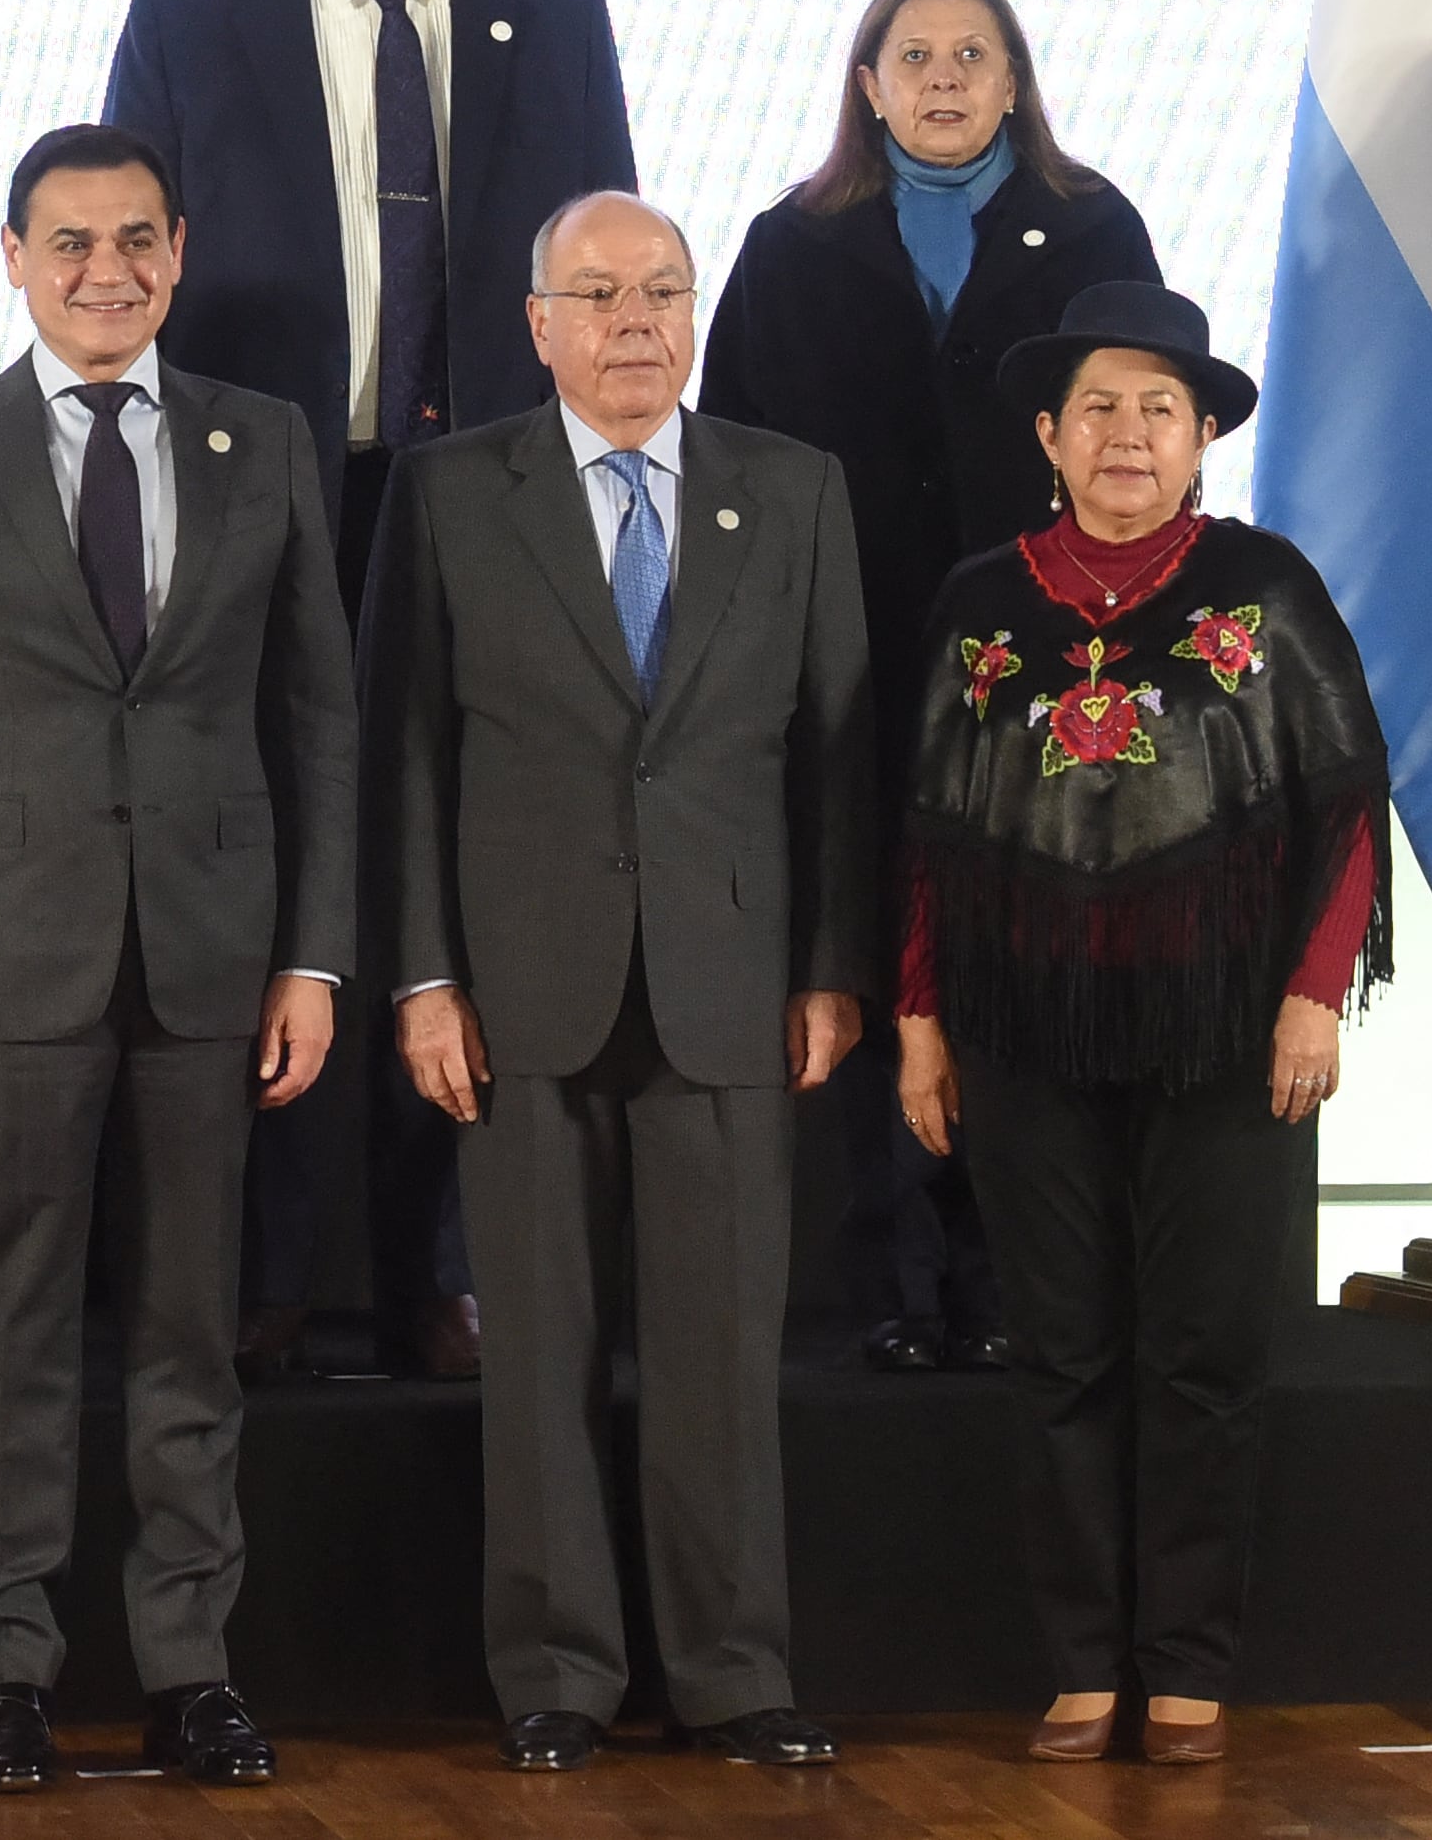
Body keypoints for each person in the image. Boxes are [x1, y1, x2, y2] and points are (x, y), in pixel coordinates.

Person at [108, 0, 634, 1384]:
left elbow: (608, 278)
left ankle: (445, 1270)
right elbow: (136, 278)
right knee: (265, 867)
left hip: (487, 501)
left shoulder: (558, 17)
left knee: (465, 867)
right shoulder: (186, 23)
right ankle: (269, 1271)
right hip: (268, 500)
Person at [0, 123, 354, 1799]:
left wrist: (319, 959)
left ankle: (193, 1671)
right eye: (70, 242)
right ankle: (10, 1675)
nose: (106, 270)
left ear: (180, 252)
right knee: (18, 1327)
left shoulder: (262, 439)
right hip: (5, 961)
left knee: (193, 1332)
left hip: (216, 956)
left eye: (136, 239)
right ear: (12, 257)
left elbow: (321, 721)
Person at [374, 191, 872, 1774]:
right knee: (538, 1347)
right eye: (599, 294)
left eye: (663, 290)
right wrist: (422, 977)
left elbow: (840, 758)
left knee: (724, 1352)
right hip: (519, 989)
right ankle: (559, 1674)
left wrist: (832, 968)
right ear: (539, 323)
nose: (637, 321)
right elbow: (401, 754)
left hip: (733, 982)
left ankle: (732, 1671)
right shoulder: (454, 493)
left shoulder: (791, 491)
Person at [895, 283, 1386, 1770]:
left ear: (1203, 439)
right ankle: (1081, 1660)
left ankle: (1186, 1660)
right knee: (1063, 1350)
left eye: (1159, 410)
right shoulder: (982, 601)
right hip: (1026, 1028)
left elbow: (1346, 801)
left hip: (1230, 1032)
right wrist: (922, 1019)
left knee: (1202, 1349)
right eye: (1100, 407)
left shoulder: (1269, 590)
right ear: (1049, 433)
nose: (1128, 435)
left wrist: (1317, 987)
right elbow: (931, 829)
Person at [697, 0, 1160, 1374]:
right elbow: (732, 456)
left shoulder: (1095, 229)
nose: (946, 78)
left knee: (1015, 969)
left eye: (974, 53)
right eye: (916, 56)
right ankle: (879, 1286)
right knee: (855, 953)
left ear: (1017, 80)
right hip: (848, 665)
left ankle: (1010, 1275)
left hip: (1047, 675)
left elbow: (1148, 442)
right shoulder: (793, 244)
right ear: (868, 83)